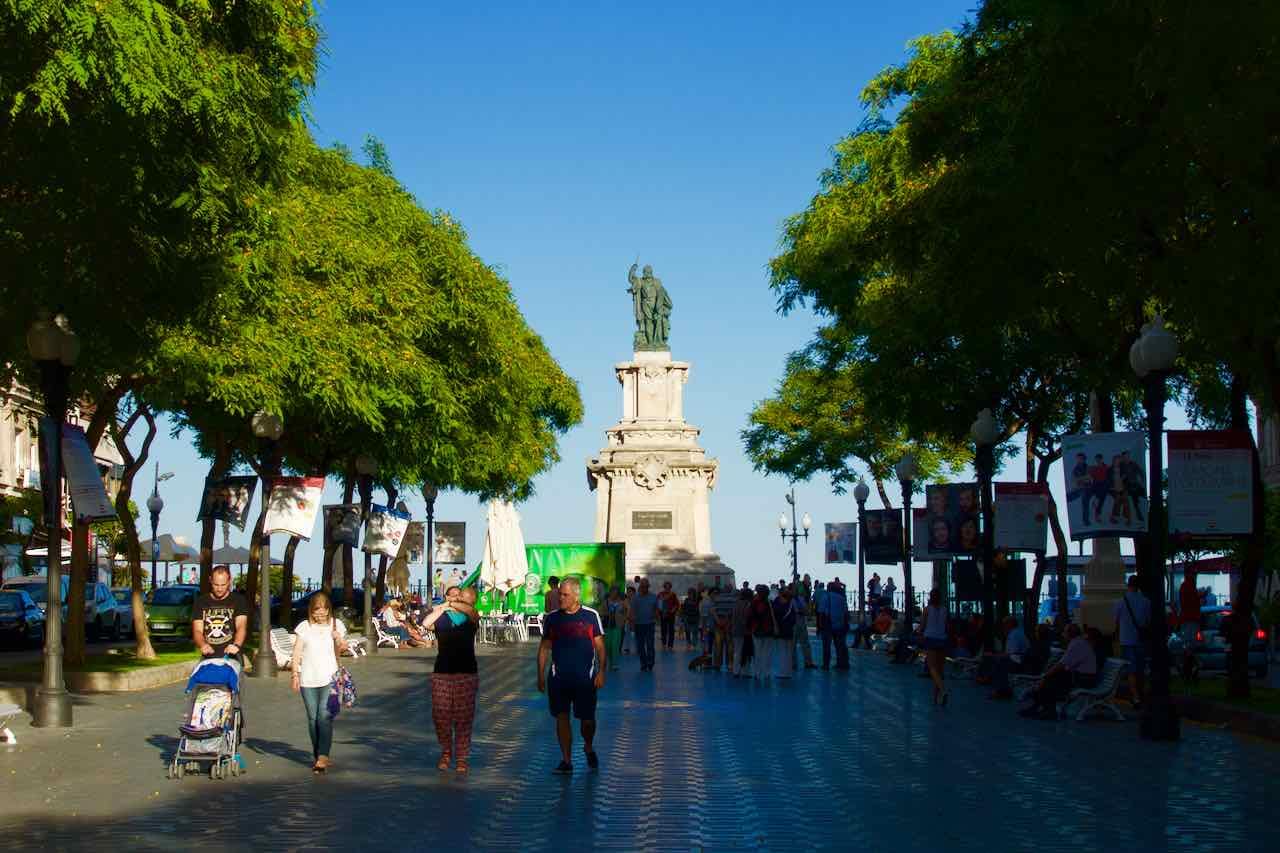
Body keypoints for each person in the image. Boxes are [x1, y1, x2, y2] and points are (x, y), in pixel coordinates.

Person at [537, 578, 605, 774]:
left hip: (585, 679)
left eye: (565, 595)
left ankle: (588, 746)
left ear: (577, 595)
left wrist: (601, 671)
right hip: (559, 678)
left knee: (587, 722)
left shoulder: (591, 616)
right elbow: (544, 648)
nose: (561, 598)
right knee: (561, 717)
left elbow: (600, 647)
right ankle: (566, 760)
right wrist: (540, 675)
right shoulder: (552, 618)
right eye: (560, 594)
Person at [288, 591, 349, 774]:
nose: (321, 613)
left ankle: (323, 755)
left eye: (324, 609)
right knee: (312, 718)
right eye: (317, 610)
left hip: (329, 678)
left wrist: (339, 639)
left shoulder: (336, 625)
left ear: (329, 609)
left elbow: (343, 647)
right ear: (311, 611)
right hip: (308, 678)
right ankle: (317, 754)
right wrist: (294, 674)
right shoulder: (304, 627)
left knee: (324, 715)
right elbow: (297, 652)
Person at [424, 586, 479, 773]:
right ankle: (446, 751)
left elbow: (472, 611)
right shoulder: (443, 616)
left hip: (466, 672)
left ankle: (462, 757)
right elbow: (426, 624)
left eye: (463, 597)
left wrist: (453, 603)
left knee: (464, 718)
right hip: (442, 672)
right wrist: (443, 607)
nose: (459, 599)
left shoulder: (472, 618)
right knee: (441, 715)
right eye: (456, 596)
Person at [1020, 623, 1097, 719]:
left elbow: (1061, 664)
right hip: (1083, 677)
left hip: (1084, 679)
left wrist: (1045, 676)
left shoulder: (1076, 644)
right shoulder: (1078, 642)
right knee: (1052, 677)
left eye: (1064, 632)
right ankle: (1041, 707)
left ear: (1070, 634)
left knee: (1051, 679)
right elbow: (1064, 664)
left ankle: (1048, 710)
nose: (1062, 634)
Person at [193, 565, 249, 663]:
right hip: (208, 657)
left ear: (229, 581)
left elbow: (241, 627)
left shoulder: (238, 600)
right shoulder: (201, 602)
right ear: (210, 580)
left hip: (232, 657)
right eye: (216, 585)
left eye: (223, 585)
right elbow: (197, 630)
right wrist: (202, 644)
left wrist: (236, 645)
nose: (219, 589)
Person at [1113, 574, 1151, 708]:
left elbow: (1116, 622)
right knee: (1141, 669)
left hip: (1126, 640)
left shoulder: (1120, 602)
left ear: (1128, 585)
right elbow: (1147, 621)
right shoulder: (1145, 601)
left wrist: (1116, 638)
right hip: (1140, 640)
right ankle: (1142, 693)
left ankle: (1135, 697)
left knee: (1131, 670)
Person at [921, 589, 949, 705]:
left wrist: (919, 633)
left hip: (930, 638)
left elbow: (923, 625)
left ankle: (943, 690)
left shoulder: (927, 610)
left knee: (932, 667)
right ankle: (936, 697)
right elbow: (947, 625)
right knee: (939, 670)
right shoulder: (945, 610)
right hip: (942, 639)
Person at [747, 585, 777, 680]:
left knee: (757, 652)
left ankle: (757, 673)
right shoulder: (770, 603)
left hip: (756, 630)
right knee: (767, 653)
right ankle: (766, 673)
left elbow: (749, 616)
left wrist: (749, 627)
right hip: (769, 631)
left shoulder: (753, 603)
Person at [630, 579, 658, 672]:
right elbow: (632, 612)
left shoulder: (654, 597)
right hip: (639, 625)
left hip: (650, 624)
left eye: (646, 586)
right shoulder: (635, 598)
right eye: (643, 586)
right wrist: (632, 625)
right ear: (640, 587)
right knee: (640, 646)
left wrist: (656, 615)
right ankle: (643, 664)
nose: (644, 588)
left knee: (650, 645)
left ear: (648, 587)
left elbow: (656, 609)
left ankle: (650, 663)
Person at [821, 579, 850, 669]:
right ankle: (842, 663)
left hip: (828, 625)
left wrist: (820, 626)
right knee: (840, 645)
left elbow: (821, 612)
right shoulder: (842, 598)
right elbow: (846, 613)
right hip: (840, 625)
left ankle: (826, 665)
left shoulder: (826, 597)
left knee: (827, 646)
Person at [1178, 569, 1201, 680]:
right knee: (1190, 645)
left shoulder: (1186, 587)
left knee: (1189, 645)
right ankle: (1189, 669)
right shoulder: (1189, 587)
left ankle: (1188, 669)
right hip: (1190, 620)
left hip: (1188, 620)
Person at [771, 585, 797, 678]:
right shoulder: (790, 604)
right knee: (789, 651)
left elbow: (774, 615)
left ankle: (782, 672)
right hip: (789, 630)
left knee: (782, 651)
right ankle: (788, 672)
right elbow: (794, 618)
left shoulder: (776, 603)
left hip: (781, 629)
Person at [711, 586, 736, 672]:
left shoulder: (717, 598)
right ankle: (730, 664)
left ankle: (717, 664)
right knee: (730, 646)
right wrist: (729, 622)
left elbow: (713, 611)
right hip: (729, 624)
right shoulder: (734, 599)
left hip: (719, 624)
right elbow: (734, 612)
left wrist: (718, 621)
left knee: (718, 645)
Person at [792, 582, 815, 670]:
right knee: (802, 643)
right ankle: (806, 662)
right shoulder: (799, 599)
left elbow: (805, 610)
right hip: (798, 621)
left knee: (798, 644)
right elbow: (805, 610)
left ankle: (798, 663)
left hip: (797, 622)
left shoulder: (794, 599)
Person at [731, 587, 753, 677]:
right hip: (745, 632)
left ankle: (736, 671)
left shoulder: (736, 604)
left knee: (737, 651)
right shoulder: (748, 604)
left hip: (736, 630)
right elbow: (746, 619)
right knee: (746, 652)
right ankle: (746, 671)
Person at [602, 587, 625, 671]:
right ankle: (610, 661)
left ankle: (615, 664)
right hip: (607, 626)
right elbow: (601, 612)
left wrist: (623, 619)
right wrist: (607, 612)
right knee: (608, 645)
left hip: (617, 626)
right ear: (610, 592)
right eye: (613, 592)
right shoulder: (605, 602)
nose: (614, 594)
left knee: (615, 645)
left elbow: (626, 611)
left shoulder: (622, 602)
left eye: (616, 593)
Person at [657, 581, 680, 651]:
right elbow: (658, 604)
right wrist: (658, 613)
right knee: (663, 630)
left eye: (669, 587)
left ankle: (670, 645)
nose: (667, 588)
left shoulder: (673, 594)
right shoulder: (660, 594)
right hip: (663, 614)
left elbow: (677, 604)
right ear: (664, 587)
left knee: (671, 630)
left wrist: (674, 609)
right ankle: (664, 644)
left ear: (670, 587)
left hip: (671, 615)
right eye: (666, 587)